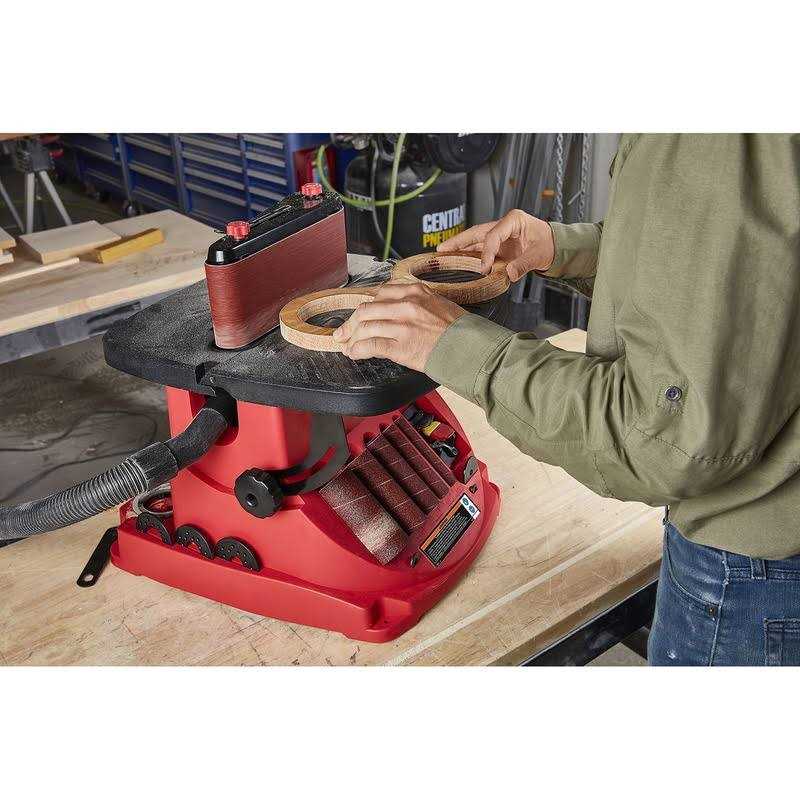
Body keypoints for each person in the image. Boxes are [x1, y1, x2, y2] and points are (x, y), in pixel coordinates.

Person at [332, 133, 800, 666]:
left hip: (757, 575)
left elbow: (664, 438)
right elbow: (742, 266)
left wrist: (454, 345)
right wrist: (560, 248)